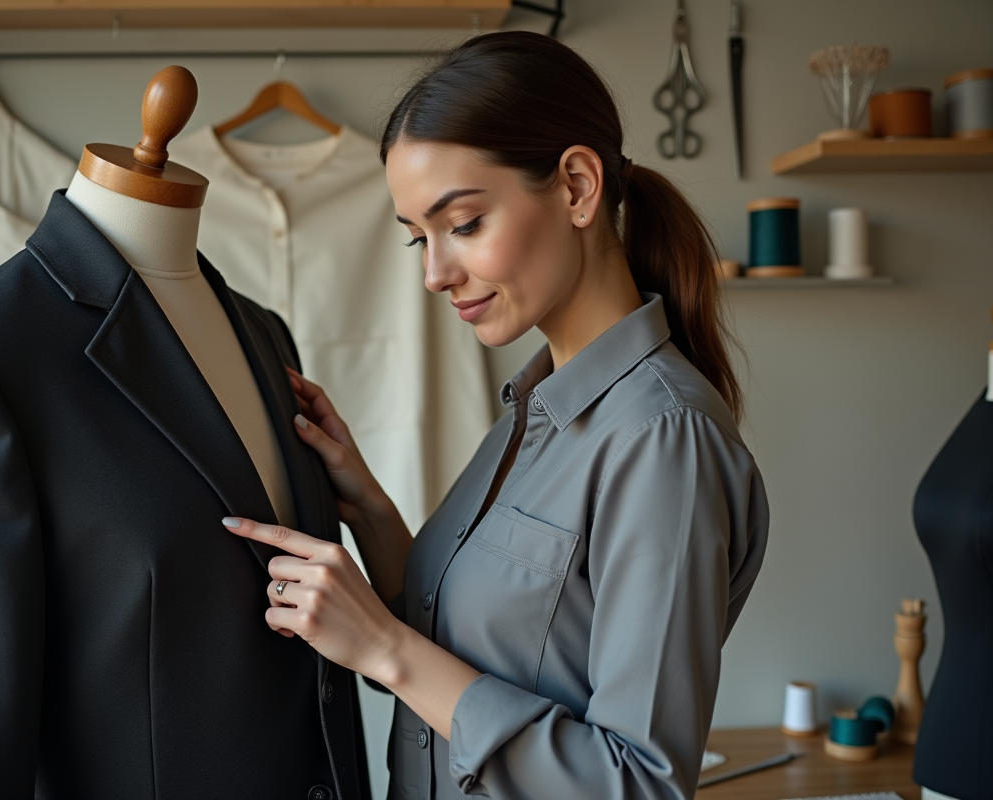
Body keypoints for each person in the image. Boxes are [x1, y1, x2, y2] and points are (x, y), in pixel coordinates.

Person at [222, 31, 769, 800]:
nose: (434, 273)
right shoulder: (532, 411)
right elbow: (477, 647)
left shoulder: (660, 439)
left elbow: (640, 784)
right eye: (419, 238)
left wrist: (385, 650)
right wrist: (370, 507)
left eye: (464, 224)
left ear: (578, 186)